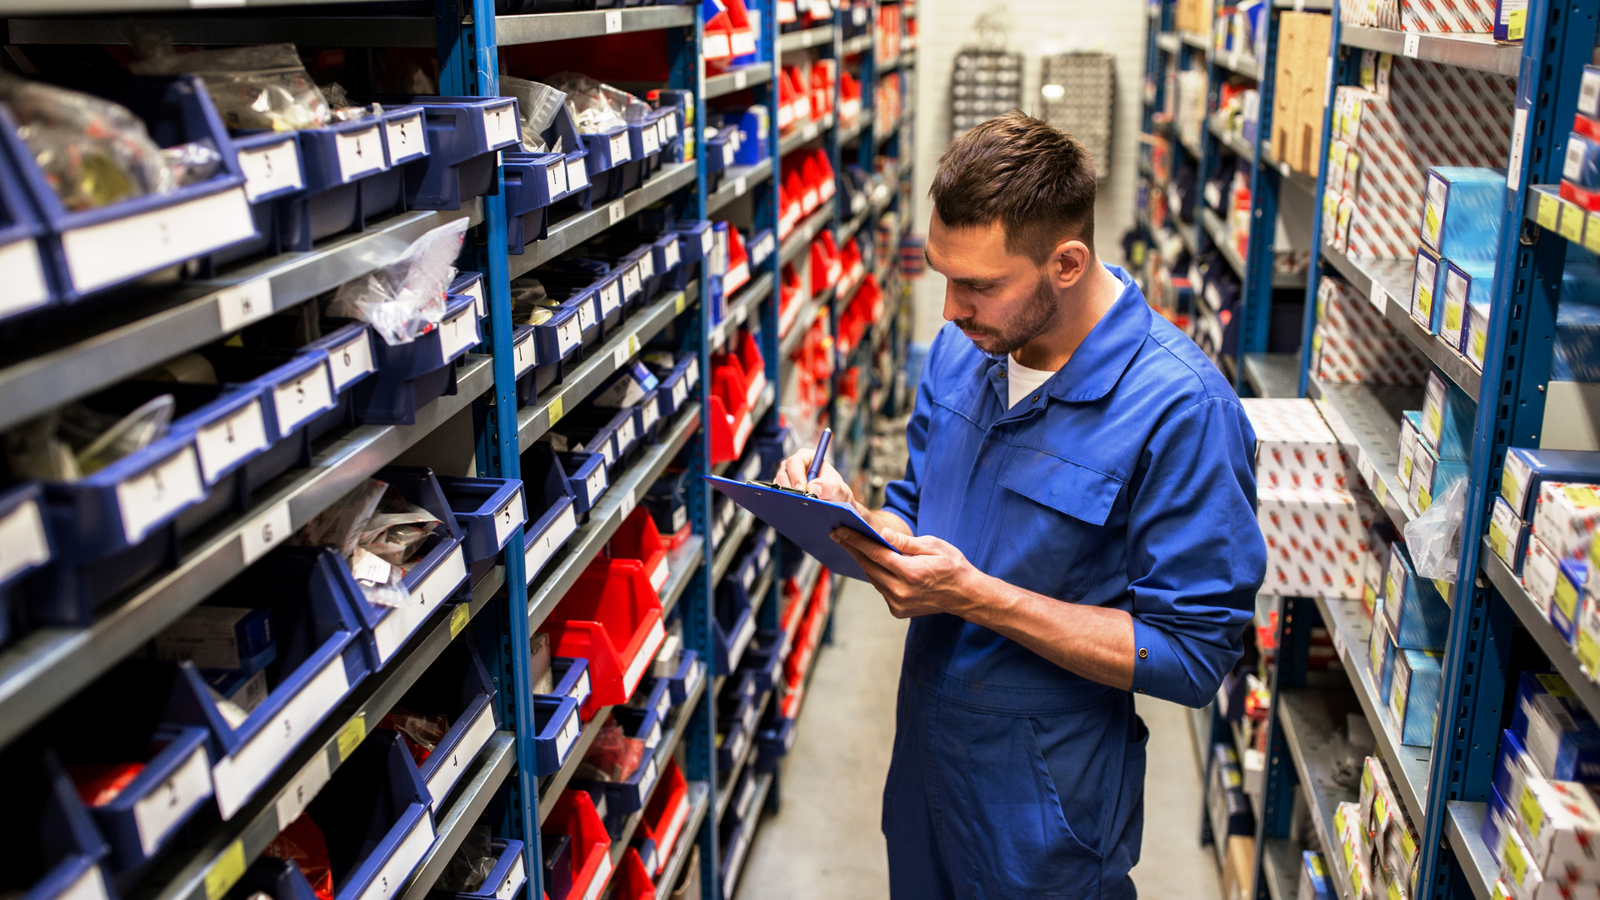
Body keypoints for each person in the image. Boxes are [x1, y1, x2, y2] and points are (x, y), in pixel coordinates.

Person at [774, 112, 1267, 899]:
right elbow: (914, 509)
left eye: (978, 285)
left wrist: (975, 597)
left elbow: (1193, 655)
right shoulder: (964, 352)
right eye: (943, 273)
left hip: (1043, 812)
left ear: (1066, 263)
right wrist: (853, 520)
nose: (948, 309)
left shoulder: (1181, 409)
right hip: (927, 772)